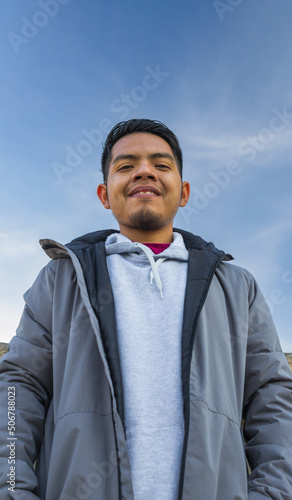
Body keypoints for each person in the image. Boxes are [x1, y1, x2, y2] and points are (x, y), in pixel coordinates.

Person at [0, 119, 292, 500]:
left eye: (161, 164)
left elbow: (270, 397)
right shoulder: (60, 280)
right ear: (105, 195)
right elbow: (18, 388)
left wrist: (274, 492)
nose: (143, 171)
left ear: (183, 192)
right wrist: (11, 488)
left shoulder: (237, 287)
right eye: (126, 165)